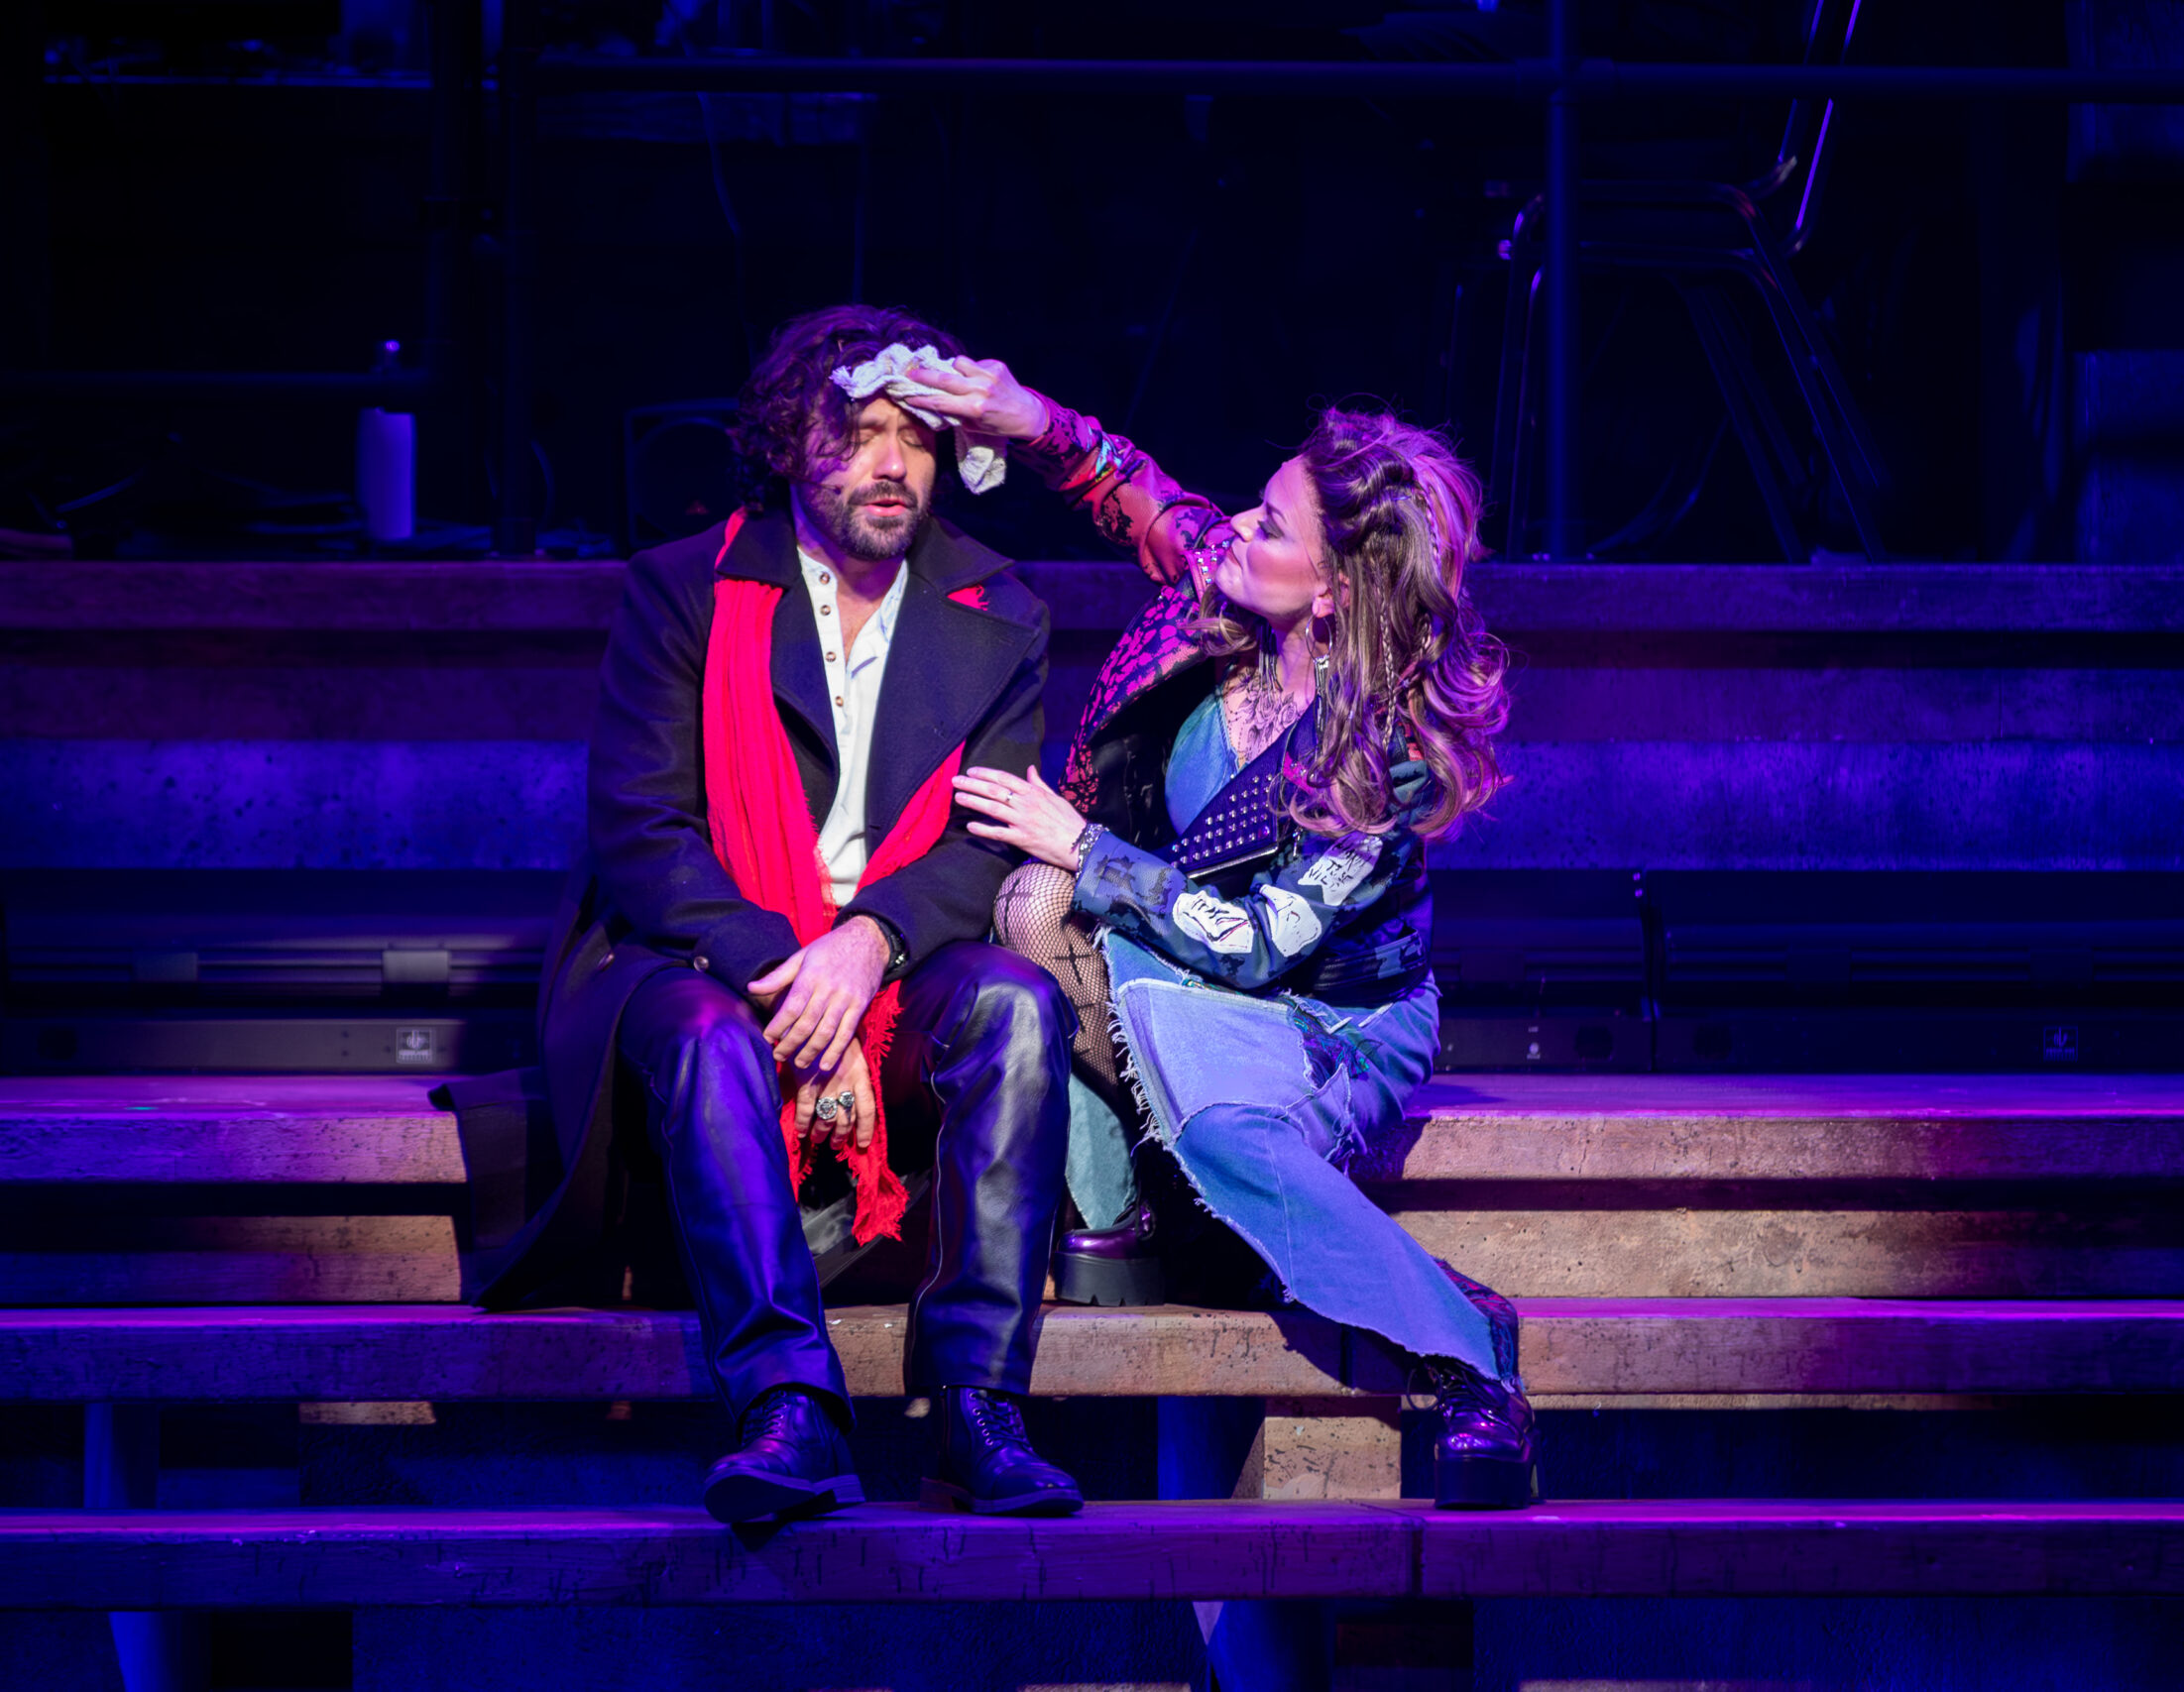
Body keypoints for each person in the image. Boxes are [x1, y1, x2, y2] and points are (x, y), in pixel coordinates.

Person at [480, 305, 1084, 1524]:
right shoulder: (685, 589)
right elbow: (643, 829)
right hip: (706, 949)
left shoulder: (999, 607)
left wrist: (866, 947)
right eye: (856, 434)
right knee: (707, 1036)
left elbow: (984, 837)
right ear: (783, 442)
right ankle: (786, 1402)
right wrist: (790, 968)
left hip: (896, 953)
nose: (891, 464)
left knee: (1019, 1007)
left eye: (915, 437)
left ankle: (979, 1405)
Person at [922, 360, 1541, 1509]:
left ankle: (1467, 1351)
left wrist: (1087, 848)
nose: (1236, 530)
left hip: (1327, 1019)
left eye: (1269, 525)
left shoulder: (1384, 760)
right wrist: (1028, 417)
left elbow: (1260, 945)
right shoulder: (1225, 598)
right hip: (1184, 955)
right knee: (1028, 909)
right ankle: (1120, 1217)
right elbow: (1140, 495)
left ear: (1333, 592)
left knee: (1224, 1132)